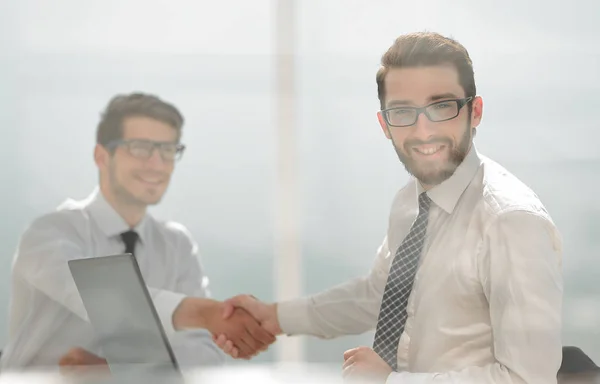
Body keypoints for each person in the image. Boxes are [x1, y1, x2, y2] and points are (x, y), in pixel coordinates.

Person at [214, 32, 564, 383]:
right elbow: (380, 295)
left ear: (475, 112)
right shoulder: (410, 201)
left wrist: (389, 381)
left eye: (442, 106)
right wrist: (274, 317)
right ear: (384, 124)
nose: (423, 130)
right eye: (402, 112)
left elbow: (527, 378)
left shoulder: (511, 221)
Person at [0, 93, 274, 371]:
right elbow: (98, 297)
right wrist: (207, 312)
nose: (157, 164)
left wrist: (113, 372)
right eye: (141, 148)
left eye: (167, 150)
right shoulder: (51, 233)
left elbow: (202, 355)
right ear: (102, 157)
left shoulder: (176, 245)